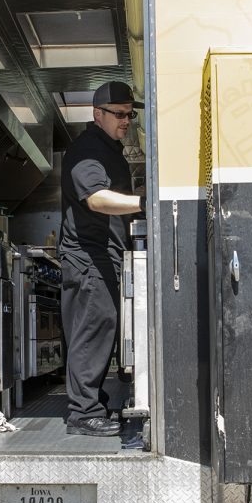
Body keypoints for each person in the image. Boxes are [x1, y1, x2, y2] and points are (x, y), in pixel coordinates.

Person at [58, 81, 145, 437]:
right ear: (98, 114)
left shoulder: (108, 148)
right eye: (119, 114)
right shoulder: (87, 151)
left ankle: (91, 400)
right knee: (91, 332)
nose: (126, 120)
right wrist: (144, 202)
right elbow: (95, 199)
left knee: (100, 330)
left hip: (102, 255)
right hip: (88, 256)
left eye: (130, 114)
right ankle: (82, 413)